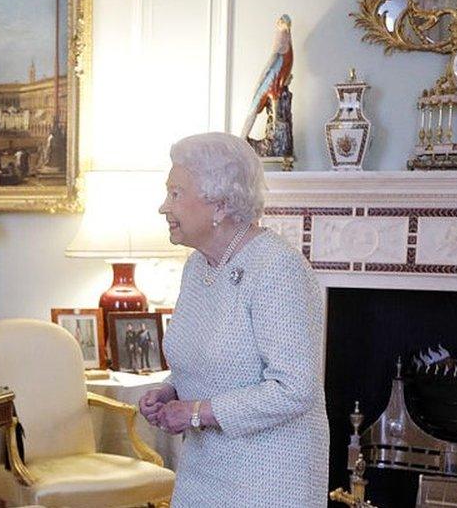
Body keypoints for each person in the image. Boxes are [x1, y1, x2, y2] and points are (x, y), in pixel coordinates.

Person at [139, 132, 328, 506]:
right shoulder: (198, 266)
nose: (164, 207)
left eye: (176, 193)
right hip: (203, 471)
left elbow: (296, 388)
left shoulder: (277, 268)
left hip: (268, 477)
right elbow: (219, 361)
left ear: (220, 205)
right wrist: (171, 390)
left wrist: (195, 413)